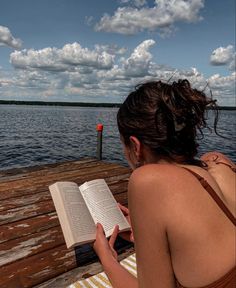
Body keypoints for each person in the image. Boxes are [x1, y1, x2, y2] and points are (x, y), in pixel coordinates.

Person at [93, 79, 235, 287]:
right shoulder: (218, 162)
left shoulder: (147, 180)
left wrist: (107, 258)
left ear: (135, 146)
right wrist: (153, 236)